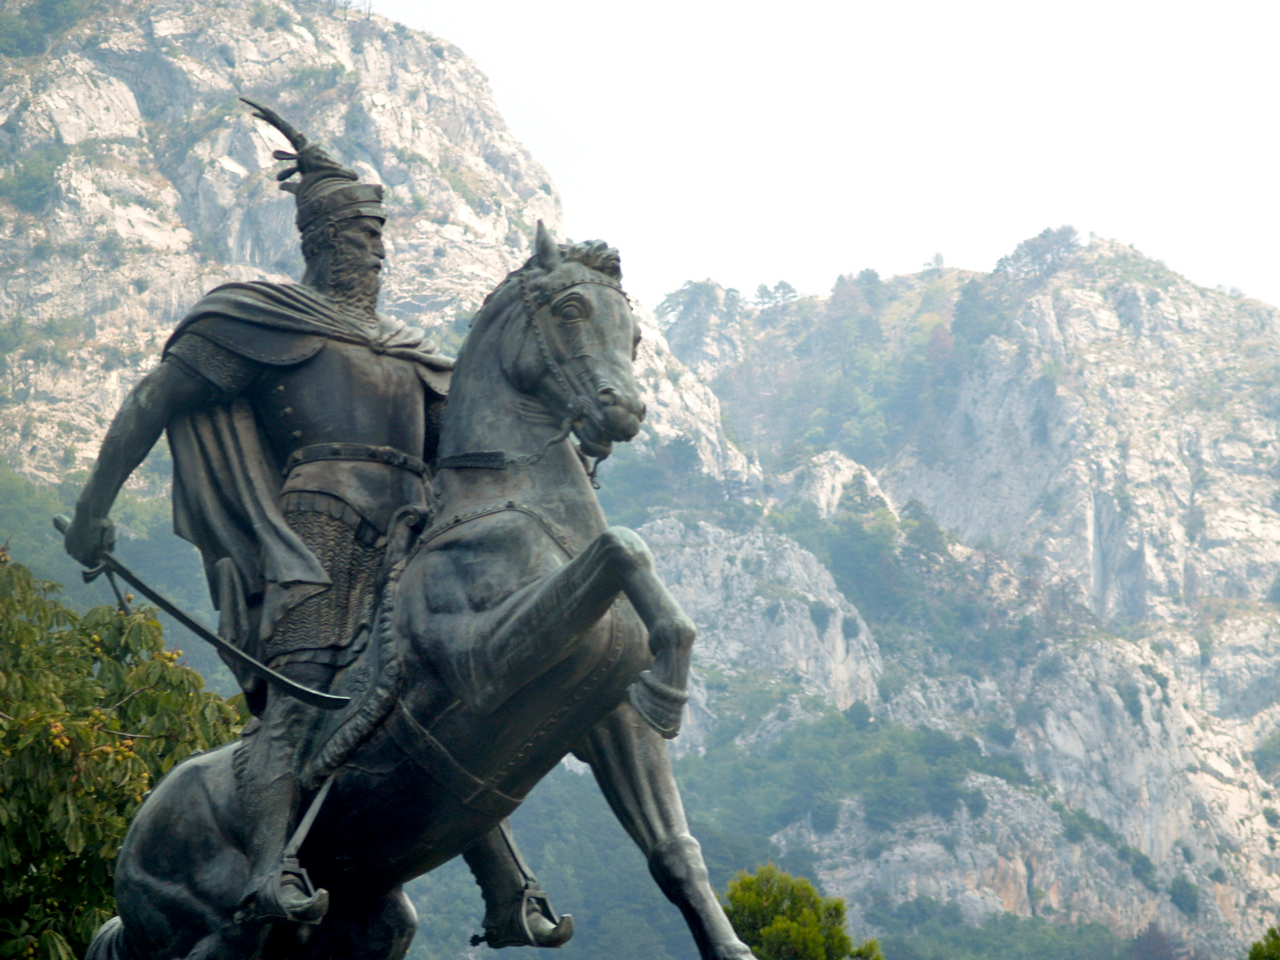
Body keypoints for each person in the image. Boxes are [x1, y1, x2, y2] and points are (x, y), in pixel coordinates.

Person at [64, 100, 571, 946]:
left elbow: (475, 452)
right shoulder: (264, 319)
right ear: (322, 244)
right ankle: (267, 868)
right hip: (313, 535)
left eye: (378, 241)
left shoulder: (413, 351)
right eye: (358, 240)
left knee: (445, 690)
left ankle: (505, 887)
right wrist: (92, 512)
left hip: (416, 537)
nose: (373, 253)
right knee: (297, 709)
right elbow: (156, 398)